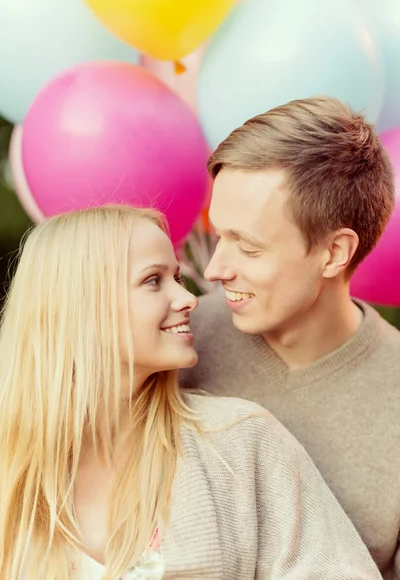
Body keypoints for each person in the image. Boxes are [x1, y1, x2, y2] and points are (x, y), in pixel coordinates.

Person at [0, 204, 383, 580]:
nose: (189, 300)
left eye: (178, 278)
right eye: (153, 280)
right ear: (81, 305)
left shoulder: (239, 440)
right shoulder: (11, 464)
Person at [180, 96, 400, 579]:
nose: (215, 270)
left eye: (250, 247)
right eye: (220, 236)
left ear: (334, 253)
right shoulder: (174, 343)